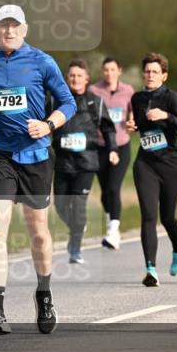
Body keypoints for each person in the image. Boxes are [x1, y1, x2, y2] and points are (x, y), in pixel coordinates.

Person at [0, 4, 76, 336]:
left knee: (38, 232)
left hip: (35, 155)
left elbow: (69, 102)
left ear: (25, 29)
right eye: (3, 25)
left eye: (15, 26)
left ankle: (45, 294)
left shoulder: (42, 61)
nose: (9, 31)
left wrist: (48, 125)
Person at [125, 53, 177, 286]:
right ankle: (150, 269)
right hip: (146, 164)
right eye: (147, 71)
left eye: (155, 72)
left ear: (164, 75)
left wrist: (166, 115)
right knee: (148, 215)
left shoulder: (171, 97)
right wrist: (132, 126)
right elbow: (138, 125)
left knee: (167, 217)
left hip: (171, 164)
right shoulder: (137, 98)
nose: (150, 75)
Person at [51, 59, 118, 265]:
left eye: (79, 76)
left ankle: (75, 249)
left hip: (86, 163)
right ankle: (77, 227)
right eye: (72, 76)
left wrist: (113, 149)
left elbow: (108, 128)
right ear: (66, 79)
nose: (75, 79)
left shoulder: (95, 103)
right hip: (62, 162)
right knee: (61, 206)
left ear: (87, 79)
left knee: (79, 207)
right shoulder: (55, 102)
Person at [90, 57, 134, 250]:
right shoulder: (94, 91)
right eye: (106, 70)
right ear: (102, 72)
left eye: (113, 70)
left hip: (121, 145)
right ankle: (111, 226)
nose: (109, 73)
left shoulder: (128, 91)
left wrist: (133, 123)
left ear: (119, 71)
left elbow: (134, 115)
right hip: (99, 146)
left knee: (114, 187)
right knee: (104, 190)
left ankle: (114, 231)